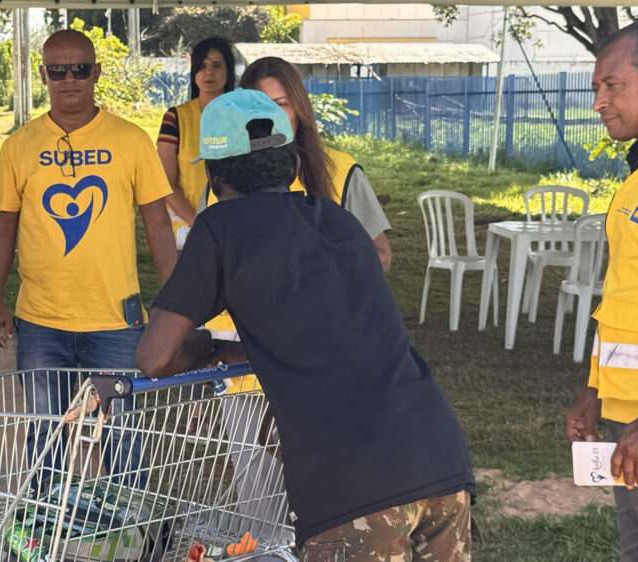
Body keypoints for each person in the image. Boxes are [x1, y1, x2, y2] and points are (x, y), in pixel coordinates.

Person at [137, 89, 474, 560]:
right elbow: (328, 329)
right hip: (439, 458)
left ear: (213, 176)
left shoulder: (220, 228)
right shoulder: (338, 220)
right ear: (293, 164)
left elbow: (155, 357)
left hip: (355, 488)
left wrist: (211, 348)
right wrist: (250, 350)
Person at [0, 29, 177, 489]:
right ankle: (44, 523)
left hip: (115, 321)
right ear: (43, 75)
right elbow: (3, 226)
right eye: (58, 70)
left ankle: (135, 525)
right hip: (41, 321)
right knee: (46, 434)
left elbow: (157, 222)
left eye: (79, 69)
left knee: (122, 436)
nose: (69, 79)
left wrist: (175, 301)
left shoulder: (130, 140)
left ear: (96, 73)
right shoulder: (19, 145)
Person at [564, 21, 638, 561]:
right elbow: (631, 297)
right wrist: (597, 393)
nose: (599, 102)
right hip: (634, 422)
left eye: (611, 86)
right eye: (596, 88)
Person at [241, 56, 391, 272]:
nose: (272, 117)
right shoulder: (224, 175)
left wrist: (320, 269)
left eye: (281, 104)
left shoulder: (341, 171)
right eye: (259, 107)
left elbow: (382, 256)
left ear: (299, 108)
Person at [156, 37, 236, 248]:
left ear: (228, 71)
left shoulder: (241, 118)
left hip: (234, 229)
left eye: (216, 66)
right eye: (202, 66)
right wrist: (200, 225)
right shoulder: (176, 118)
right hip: (187, 232)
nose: (208, 73)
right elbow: (164, 183)